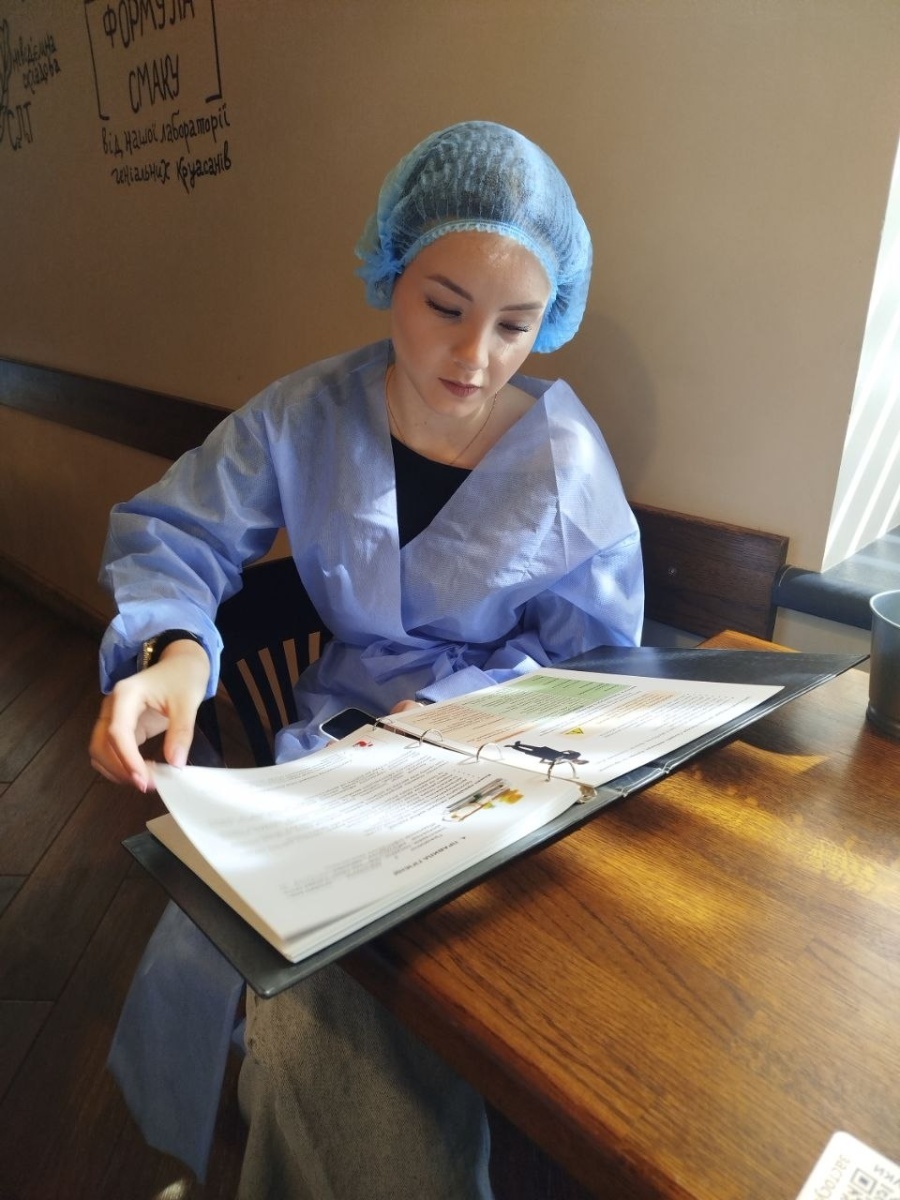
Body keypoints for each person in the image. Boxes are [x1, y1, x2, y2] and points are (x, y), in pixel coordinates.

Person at [90, 120, 644, 1199]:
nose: (475, 357)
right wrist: (174, 650)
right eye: (444, 306)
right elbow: (180, 533)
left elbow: (598, 669)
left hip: (495, 777)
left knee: (365, 998)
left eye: (516, 326)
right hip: (336, 757)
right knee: (324, 980)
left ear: (553, 317)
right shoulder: (306, 417)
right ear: (391, 273)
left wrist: (483, 724)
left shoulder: (567, 464)